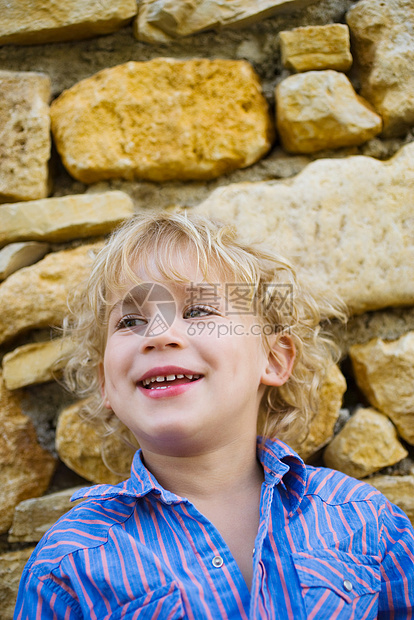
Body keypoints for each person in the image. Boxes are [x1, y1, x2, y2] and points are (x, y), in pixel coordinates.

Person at [15, 211, 414, 619]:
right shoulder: (67, 567)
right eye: (131, 321)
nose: (158, 335)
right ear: (105, 384)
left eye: (198, 312)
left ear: (274, 359)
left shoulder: (365, 520)